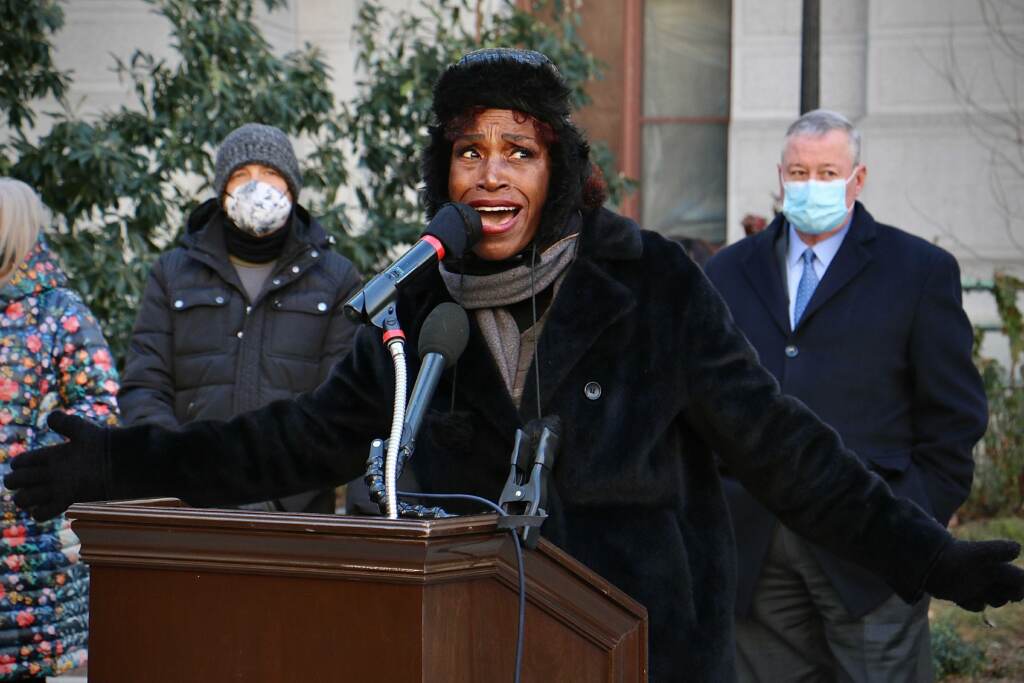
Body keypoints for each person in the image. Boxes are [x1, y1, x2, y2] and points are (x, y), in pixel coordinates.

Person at [6, 50, 1024, 682]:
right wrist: (117, 464)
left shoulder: (647, 282)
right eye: (467, 149)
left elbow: (788, 451)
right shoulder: (418, 297)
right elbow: (293, 437)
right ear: (442, 172)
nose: (489, 171)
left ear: (560, 171)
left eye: (518, 149)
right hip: (474, 647)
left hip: (643, 653)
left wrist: (928, 556)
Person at [704, 109, 988, 682]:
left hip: (870, 547)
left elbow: (954, 419)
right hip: (754, 545)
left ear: (857, 179)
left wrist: (913, 523)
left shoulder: (919, 271)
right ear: (781, 177)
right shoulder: (728, 271)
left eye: (828, 172)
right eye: (799, 172)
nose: (812, 185)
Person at [118, 123, 362, 514]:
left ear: (291, 188)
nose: (257, 186)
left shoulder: (336, 278)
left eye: (270, 174)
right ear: (222, 191)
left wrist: (275, 491)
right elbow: (146, 385)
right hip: (188, 508)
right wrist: (179, 475)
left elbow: (340, 404)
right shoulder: (173, 273)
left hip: (293, 516)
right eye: (241, 175)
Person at [0, 178, 120, 679]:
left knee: (22, 666)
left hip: (28, 539)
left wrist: (38, 456)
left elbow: (99, 407)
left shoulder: (58, 313)